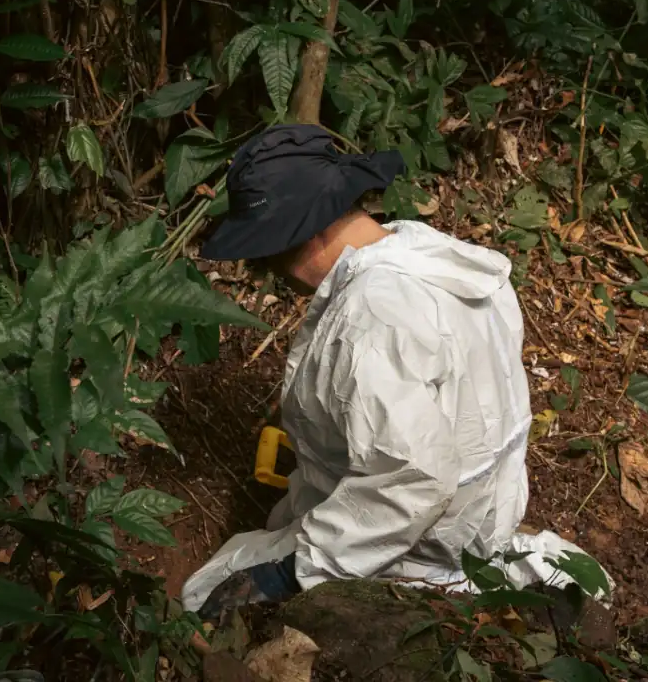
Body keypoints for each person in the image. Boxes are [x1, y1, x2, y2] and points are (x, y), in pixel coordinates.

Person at [182, 124, 603, 619]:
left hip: (415, 549)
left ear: (307, 230)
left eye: (271, 252)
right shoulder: (435, 257)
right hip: (482, 519)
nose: (270, 270)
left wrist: (295, 571)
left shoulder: (373, 316)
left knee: (200, 598)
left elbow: (413, 479)